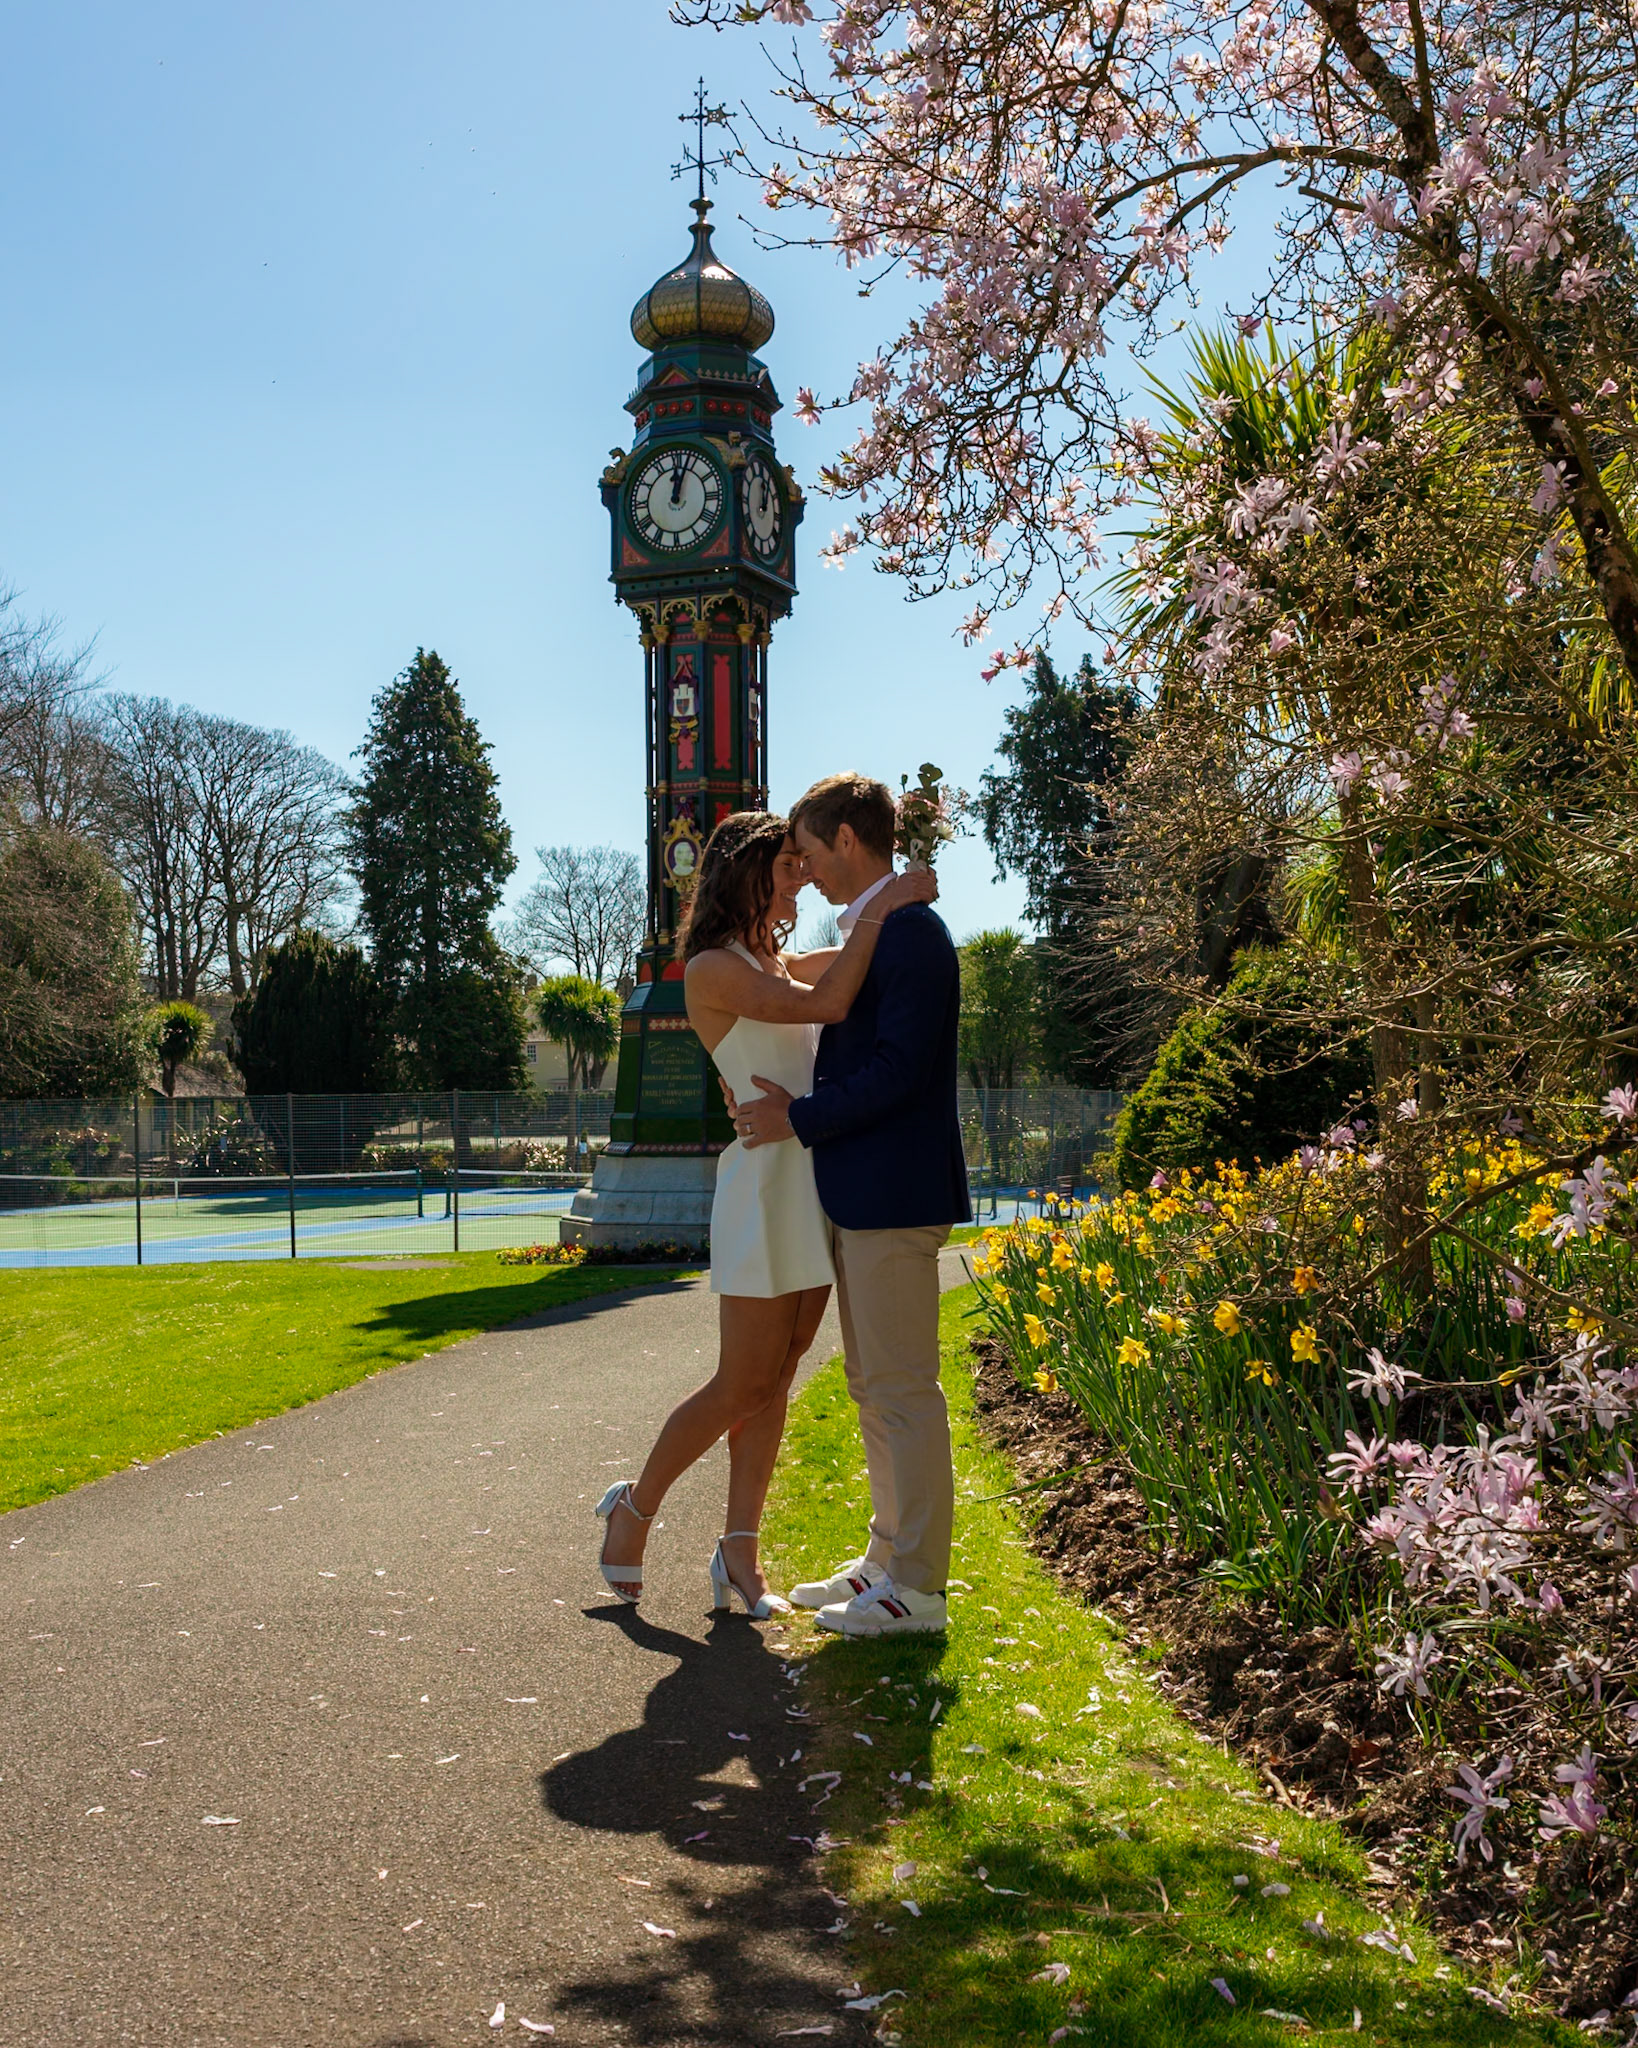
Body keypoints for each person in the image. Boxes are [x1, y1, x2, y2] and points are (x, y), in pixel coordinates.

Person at [594, 810, 936, 1616]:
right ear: (746, 870)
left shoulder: (772, 960)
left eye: (804, 857)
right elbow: (832, 1002)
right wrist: (885, 906)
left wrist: (901, 898)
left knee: (778, 1380)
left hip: (813, 1184)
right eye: (787, 861)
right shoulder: (711, 967)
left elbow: (858, 965)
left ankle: (739, 1556)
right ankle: (633, 1510)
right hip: (759, 1191)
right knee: (738, 1382)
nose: (802, 872)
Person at [734, 773, 971, 1637]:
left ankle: (917, 1589)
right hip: (864, 1194)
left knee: (904, 1390)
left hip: (894, 1197)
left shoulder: (911, 935)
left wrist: (794, 1118)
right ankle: (885, 1562)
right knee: (876, 1387)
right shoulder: (881, 928)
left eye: (809, 852)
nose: (806, 871)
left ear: (847, 841)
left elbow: (896, 1075)